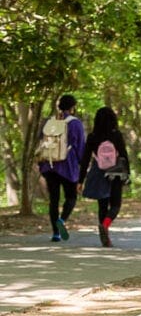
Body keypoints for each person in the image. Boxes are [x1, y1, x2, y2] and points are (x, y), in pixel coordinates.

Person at [79, 106, 130, 247]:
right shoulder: (116, 135)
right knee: (115, 205)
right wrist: (127, 174)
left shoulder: (92, 136)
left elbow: (85, 159)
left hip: (99, 172)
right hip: (116, 172)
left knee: (102, 205)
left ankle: (105, 237)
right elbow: (124, 155)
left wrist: (80, 180)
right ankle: (106, 225)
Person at [38, 94, 86, 242]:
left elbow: (42, 142)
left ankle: (55, 233)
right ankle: (62, 220)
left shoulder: (50, 122)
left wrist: (42, 164)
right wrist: (82, 165)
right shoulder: (75, 123)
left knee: (54, 200)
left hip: (50, 165)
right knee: (71, 197)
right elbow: (80, 147)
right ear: (73, 107)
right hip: (68, 166)